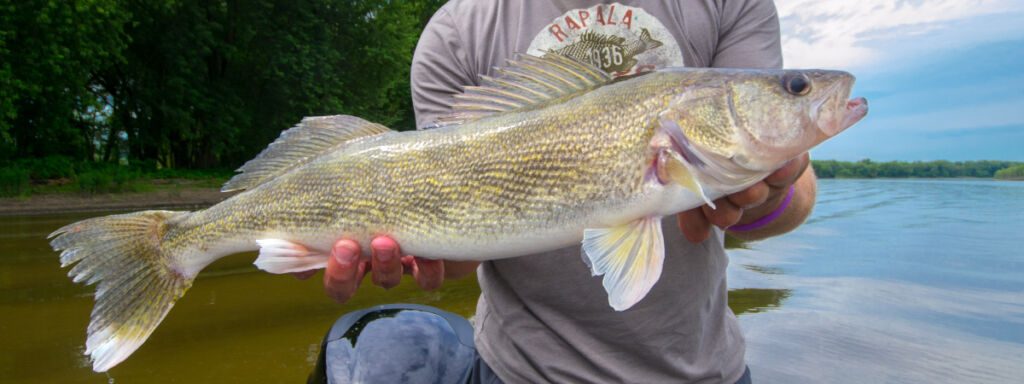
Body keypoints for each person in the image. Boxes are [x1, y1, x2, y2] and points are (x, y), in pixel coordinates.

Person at [298, 1, 815, 382]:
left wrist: (765, 194)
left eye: (795, 88)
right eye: (796, 88)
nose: (801, 94)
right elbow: (456, 256)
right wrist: (413, 254)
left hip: (708, 369)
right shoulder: (455, 33)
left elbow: (789, 195)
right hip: (518, 371)